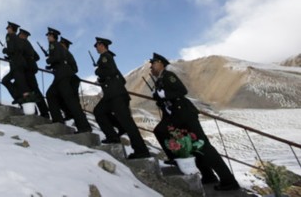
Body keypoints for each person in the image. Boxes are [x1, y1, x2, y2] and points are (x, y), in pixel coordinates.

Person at [150, 52, 240, 191]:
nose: (152, 66)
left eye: (154, 63)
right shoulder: (160, 80)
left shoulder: (169, 76)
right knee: (169, 135)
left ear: (161, 64)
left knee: (203, 146)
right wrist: (157, 96)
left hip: (185, 114)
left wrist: (165, 94)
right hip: (175, 116)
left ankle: (229, 181)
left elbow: (182, 91)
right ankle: (207, 175)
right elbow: (165, 101)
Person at [93, 37, 150, 159]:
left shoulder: (105, 57)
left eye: (97, 45)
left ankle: (141, 151)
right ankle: (113, 136)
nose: (96, 47)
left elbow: (110, 71)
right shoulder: (107, 58)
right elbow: (121, 79)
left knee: (128, 123)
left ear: (102, 45)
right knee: (99, 111)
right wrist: (104, 79)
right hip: (112, 95)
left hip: (116, 96)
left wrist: (98, 72)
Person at [45, 27, 92, 133]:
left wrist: (49, 60)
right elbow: (60, 59)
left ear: (52, 36)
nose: (47, 37)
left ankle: (84, 127)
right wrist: (52, 65)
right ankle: (58, 120)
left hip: (62, 77)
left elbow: (57, 57)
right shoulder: (59, 47)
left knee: (71, 102)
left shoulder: (54, 44)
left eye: (48, 35)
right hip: (61, 76)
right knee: (51, 95)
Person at [18, 28, 49, 118]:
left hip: (27, 69)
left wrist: (27, 61)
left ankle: (39, 111)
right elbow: (37, 57)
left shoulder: (22, 43)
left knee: (32, 90)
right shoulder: (28, 44)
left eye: (21, 34)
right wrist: (31, 61)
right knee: (33, 90)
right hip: (30, 69)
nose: (20, 35)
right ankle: (43, 112)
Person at [1, 22, 31, 104]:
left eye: (8, 27)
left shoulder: (12, 37)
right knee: (5, 80)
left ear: (12, 29)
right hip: (15, 64)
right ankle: (18, 97)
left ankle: (30, 106)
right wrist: (9, 55)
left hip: (18, 65)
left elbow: (14, 50)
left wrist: (5, 50)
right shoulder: (13, 37)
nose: (7, 29)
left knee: (22, 86)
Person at [58, 37, 81, 121]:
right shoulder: (61, 54)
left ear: (65, 46)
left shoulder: (67, 54)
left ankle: (77, 117)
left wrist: (66, 68)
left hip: (71, 80)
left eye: (61, 44)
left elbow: (75, 69)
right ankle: (69, 114)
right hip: (66, 79)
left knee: (73, 101)